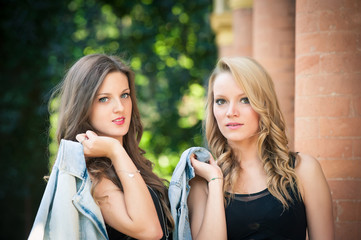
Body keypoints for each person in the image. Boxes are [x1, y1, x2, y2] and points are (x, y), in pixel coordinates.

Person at [187, 57, 334, 240]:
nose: (231, 112)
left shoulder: (304, 170)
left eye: (245, 99)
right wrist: (216, 182)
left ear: (263, 104)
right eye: (221, 101)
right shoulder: (201, 182)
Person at [54, 53, 173, 239]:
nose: (120, 107)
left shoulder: (129, 163)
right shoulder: (93, 178)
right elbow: (151, 231)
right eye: (104, 99)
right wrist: (114, 150)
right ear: (83, 106)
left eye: (124, 95)